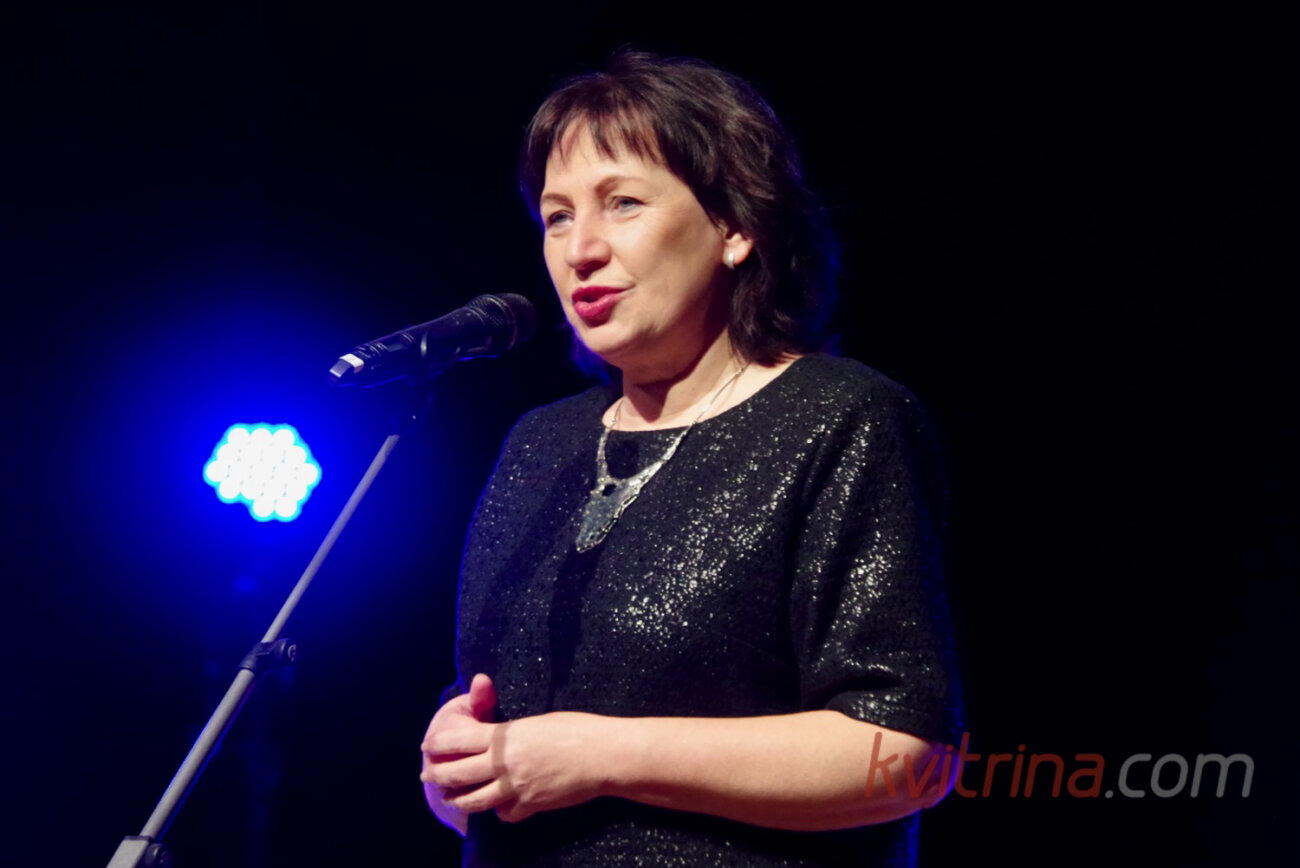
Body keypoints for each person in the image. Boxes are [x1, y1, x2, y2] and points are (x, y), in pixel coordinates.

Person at [420, 50, 962, 867]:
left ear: (735, 227)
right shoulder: (541, 444)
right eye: (558, 217)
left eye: (623, 203)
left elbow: (907, 756)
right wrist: (460, 764)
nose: (580, 248)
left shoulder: (839, 418)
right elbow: (500, 740)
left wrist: (599, 755)